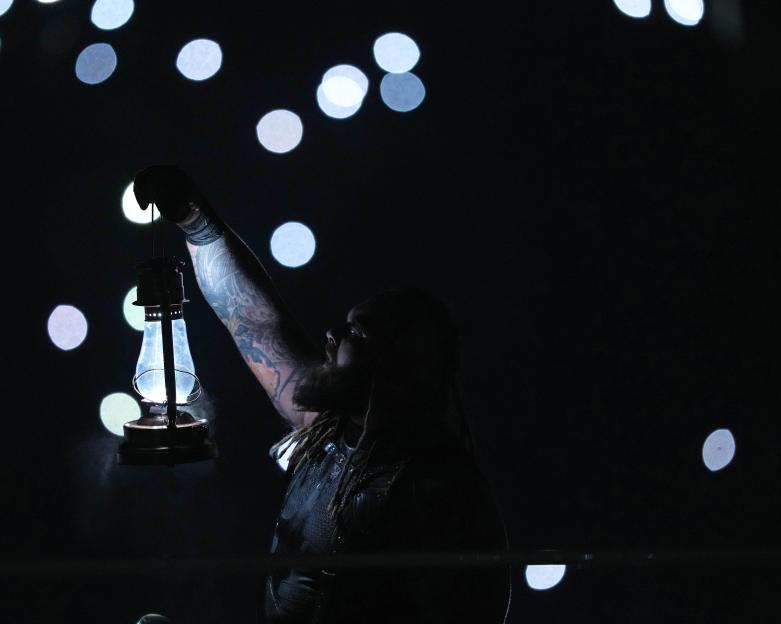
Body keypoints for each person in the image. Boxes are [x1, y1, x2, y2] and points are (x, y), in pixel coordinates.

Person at [133, 165, 512, 624]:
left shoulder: (439, 489)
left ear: (395, 365)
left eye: (356, 332)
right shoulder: (328, 433)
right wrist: (195, 220)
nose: (331, 335)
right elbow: (254, 320)